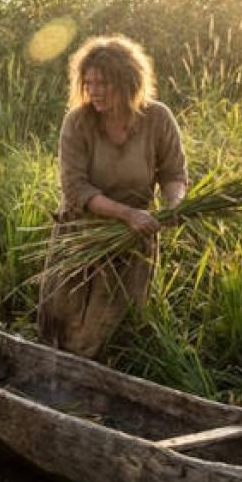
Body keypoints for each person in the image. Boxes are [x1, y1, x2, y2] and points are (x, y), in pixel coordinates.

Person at [37, 35, 188, 359]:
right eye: (88, 83)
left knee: (110, 327)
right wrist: (127, 214)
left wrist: (173, 205)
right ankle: (54, 381)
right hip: (82, 230)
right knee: (63, 320)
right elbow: (76, 189)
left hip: (131, 238)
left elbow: (174, 174)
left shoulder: (157, 119)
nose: (93, 91)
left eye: (103, 82)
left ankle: (106, 382)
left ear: (128, 80)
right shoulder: (77, 123)